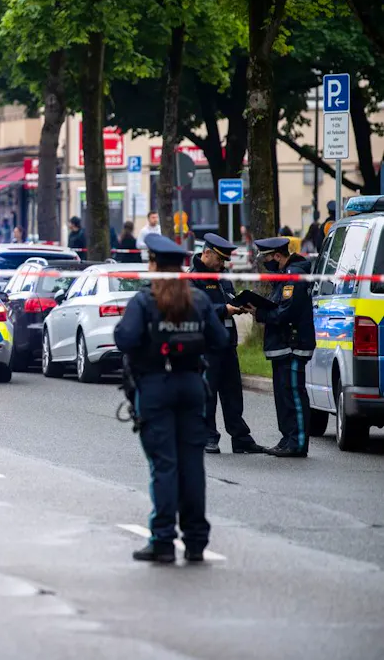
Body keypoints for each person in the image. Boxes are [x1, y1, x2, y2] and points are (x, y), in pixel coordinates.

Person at [114, 233, 228, 563]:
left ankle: (163, 539)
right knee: (192, 464)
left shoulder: (144, 300)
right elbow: (220, 340)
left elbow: (124, 338)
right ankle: (195, 540)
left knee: (164, 465)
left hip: (154, 387)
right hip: (192, 385)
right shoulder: (199, 300)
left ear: (154, 265)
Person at [190, 234, 265, 454]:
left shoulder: (222, 277)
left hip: (227, 344)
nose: (222, 264)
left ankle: (240, 438)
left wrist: (240, 304)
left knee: (233, 394)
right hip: (205, 347)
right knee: (208, 394)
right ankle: (208, 437)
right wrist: (225, 310)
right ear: (206, 253)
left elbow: (230, 298)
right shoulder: (193, 279)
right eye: (219, 259)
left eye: (224, 261)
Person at [244, 237, 316, 457]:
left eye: (266, 257)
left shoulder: (293, 276)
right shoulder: (283, 276)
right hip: (283, 346)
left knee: (294, 394)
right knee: (283, 396)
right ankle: (287, 438)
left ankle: (298, 442)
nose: (265, 262)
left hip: (293, 345)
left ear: (277, 255)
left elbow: (287, 311)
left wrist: (261, 313)